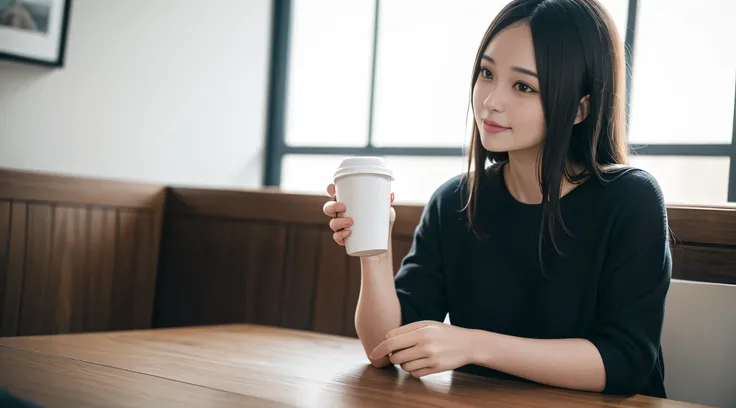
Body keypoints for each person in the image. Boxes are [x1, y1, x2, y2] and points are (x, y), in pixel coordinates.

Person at [322, 0, 671, 399]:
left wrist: (474, 345)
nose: (490, 100)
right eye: (487, 73)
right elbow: (384, 348)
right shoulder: (455, 201)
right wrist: (374, 248)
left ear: (579, 108)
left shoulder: (631, 198)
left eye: (523, 86)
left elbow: (625, 361)